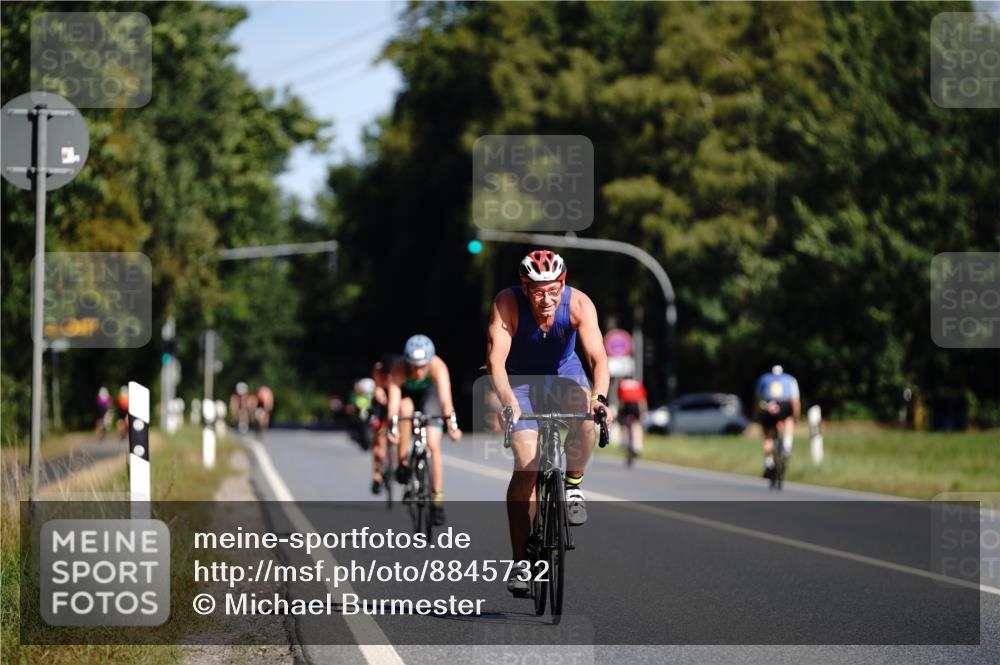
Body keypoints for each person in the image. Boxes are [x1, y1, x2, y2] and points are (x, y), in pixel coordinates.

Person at [485, 249, 611, 593]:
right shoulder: (507, 304)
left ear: (563, 284)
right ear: (525, 288)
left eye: (553, 289)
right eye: (538, 290)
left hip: (564, 373)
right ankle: (520, 563)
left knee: (585, 411)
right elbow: (496, 362)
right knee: (526, 464)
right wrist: (509, 402)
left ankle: (572, 485)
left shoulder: (579, 305)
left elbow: (598, 359)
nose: (546, 298)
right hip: (521, 381)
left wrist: (600, 399)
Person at [386, 335, 462, 525]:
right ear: (407, 362)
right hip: (407, 398)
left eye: (423, 365)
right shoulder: (398, 369)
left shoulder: (438, 366)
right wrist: (391, 427)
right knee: (404, 409)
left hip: (430, 398)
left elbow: (445, 400)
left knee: (433, 444)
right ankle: (403, 462)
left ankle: (437, 499)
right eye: (414, 365)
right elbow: (393, 404)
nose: (419, 370)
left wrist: (452, 426)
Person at [753, 365, 801, 484]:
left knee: (767, 436)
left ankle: (768, 463)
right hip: (784, 404)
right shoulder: (790, 379)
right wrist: (796, 417)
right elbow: (795, 401)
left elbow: (758, 399)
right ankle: (787, 445)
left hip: (768, 405)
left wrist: (757, 416)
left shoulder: (764, 378)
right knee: (789, 419)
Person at [370, 354, 397, 494]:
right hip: (382, 402)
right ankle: (377, 475)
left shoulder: (400, 370)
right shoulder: (378, 369)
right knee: (379, 438)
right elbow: (378, 390)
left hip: (396, 399)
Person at [616, 376, 648, 457]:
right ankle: (638, 445)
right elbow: (642, 400)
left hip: (626, 404)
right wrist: (643, 412)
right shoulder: (637, 384)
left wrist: (620, 413)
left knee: (622, 421)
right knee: (637, 424)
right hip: (636, 404)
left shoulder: (622, 384)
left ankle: (624, 440)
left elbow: (621, 400)